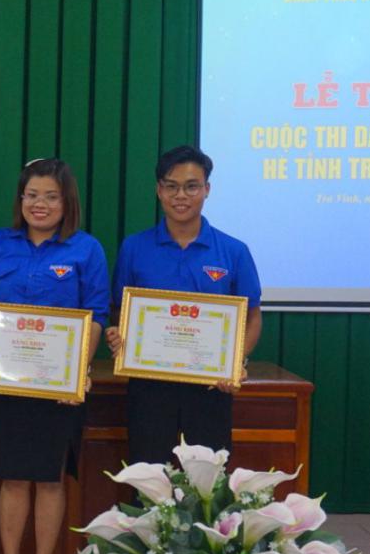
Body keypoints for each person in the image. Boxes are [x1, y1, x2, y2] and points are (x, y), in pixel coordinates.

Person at [0, 158, 108, 554]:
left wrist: (77, 373)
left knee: (49, 481)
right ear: (20, 200)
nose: (39, 204)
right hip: (6, 387)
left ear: (66, 202)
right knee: (12, 478)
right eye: (31, 195)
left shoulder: (87, 250)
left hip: (58, 390)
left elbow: (96, 316)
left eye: (50, 196)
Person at [106, 145, 262, 465]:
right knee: (148, 481)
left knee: (206, 485)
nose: (181, 195)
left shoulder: (234, 251)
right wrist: (118, 336)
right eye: (171, 186)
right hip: (149, 387)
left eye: (191, 186)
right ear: (158, 190)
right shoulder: (134, 247)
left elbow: (253, 316)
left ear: (207, 189)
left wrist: (235, 364)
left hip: (210, 388)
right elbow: (120, 310)